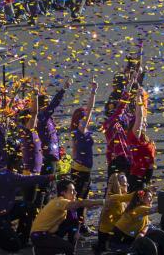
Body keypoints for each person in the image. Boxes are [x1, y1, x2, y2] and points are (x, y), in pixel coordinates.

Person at [0, 149, 51, 251]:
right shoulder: (8, 176)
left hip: (4, 211)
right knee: (14, 246)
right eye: (20, 164)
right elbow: (29, 180)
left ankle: (22, 239)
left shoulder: (6, 173)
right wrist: (49, 177)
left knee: (28, 207)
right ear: (14, 165)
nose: (22, 167)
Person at [29, 178, 103, 255]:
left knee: (72, 225)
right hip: (39, 235)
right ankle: (40, 251)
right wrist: (102, 202)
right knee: (68, 248)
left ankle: (55, 249)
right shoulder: (60, 201)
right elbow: (80, 203)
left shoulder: (67, 204)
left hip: (49, 232)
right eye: (72, 190)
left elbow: (75, 220)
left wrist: (76, 232)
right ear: (63, 192)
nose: (75, 192)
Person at [70, 80, 98, 234]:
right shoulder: (80, 131)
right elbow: (90, 110)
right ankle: (79, 227)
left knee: (80, 199)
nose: (86, 120)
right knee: (80, 200)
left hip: (79, 169)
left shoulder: (78, 132)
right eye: (83, 118)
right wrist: (93, 92)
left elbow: (74, 152)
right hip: (81, 171)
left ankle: (78, 226)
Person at [97, 173, 132, 254]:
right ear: (118, 186)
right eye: (124, 183)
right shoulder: (114, 199)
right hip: (109, 236)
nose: (127, 185)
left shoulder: (119, 196)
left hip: (115, 231)